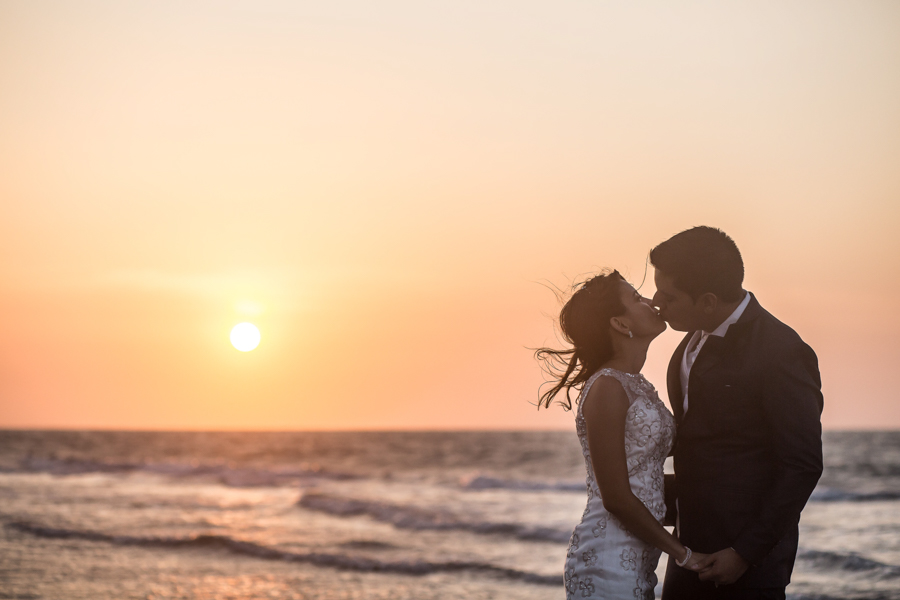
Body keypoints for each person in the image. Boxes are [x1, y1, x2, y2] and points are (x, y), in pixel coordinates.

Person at [650, 226, 824, 600]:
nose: (655, 302)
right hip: (686, 557)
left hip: (746, 571)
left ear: (708, 301)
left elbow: (802, 463)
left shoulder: (781, 351)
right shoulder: (689, 341)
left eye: (668, 295)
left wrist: (745, 553)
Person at [537, 270, 707, 600]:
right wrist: (684, 555)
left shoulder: (636, 384)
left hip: (637, 559)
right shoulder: (606, 388)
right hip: (606, 559)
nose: (650, 302)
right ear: (620, 324)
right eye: (636, 298)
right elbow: (615, 496)